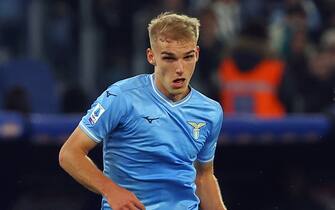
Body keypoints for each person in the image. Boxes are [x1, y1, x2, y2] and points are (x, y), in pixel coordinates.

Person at [59, 12, 227, 210]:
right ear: (151, 56)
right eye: (169, 58)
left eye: (188, 57)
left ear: (197, 54)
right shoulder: (121, 97)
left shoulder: (210, 111)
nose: (180, 68)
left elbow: (204, 177)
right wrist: (110, 190)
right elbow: (70, 153)